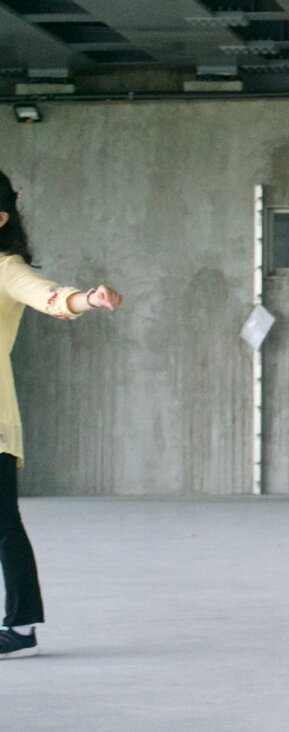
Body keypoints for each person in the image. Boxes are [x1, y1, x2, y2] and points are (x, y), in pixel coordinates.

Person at [0, 170, 123, 660]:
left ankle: (22, 625)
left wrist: (87, 299)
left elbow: (50, 296)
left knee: (2, 522)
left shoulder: (7, 268)